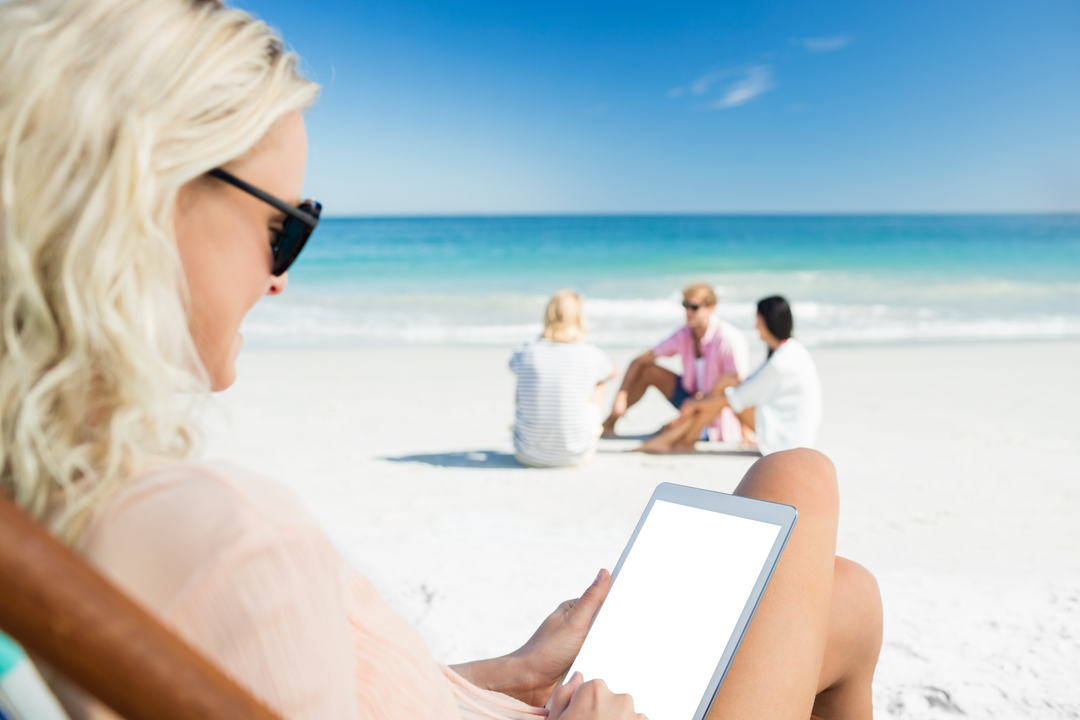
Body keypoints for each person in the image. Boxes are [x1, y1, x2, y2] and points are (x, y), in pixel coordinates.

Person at [0, 1, 880, 719]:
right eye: (287, 228)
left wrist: (511, 671)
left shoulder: (60, 512)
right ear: (137, 193)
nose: (281, 281)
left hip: (514, 703)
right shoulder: (226, 539)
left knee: (848, 600)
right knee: (800, 478)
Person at [638, 296, 823, 456]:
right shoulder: (792, 350)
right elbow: (747, 388)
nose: (755, 326)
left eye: (758, 320)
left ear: (769, 320)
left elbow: (738, 396)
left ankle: (677, 438)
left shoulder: (781, 360)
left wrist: (696, 403)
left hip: (786, 436)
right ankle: (683, 439)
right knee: (727, 383)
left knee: (727, 391)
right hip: (787, 424)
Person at [601, 283, 748, 442]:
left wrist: (744, 432)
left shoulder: (728, 338)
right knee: (648, 370)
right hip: (690, 398)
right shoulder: (684, 334)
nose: (688, 312)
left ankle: (683, 427)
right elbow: (639, 361)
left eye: (694, 307)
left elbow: (740, 386)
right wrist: (621, 397)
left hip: (713, 409)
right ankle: (608, 424)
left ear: (711, 308)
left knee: (669, 433)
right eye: (685, 305)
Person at [510, 291, 616, 468]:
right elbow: (613, 372)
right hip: (575, 455)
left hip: (526, 453)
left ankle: (533, 429)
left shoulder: (525, 351)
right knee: (599, 382)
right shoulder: (590, 354)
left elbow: (513, 366)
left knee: (526, 378)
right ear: (580, 318)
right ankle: (585, 432)